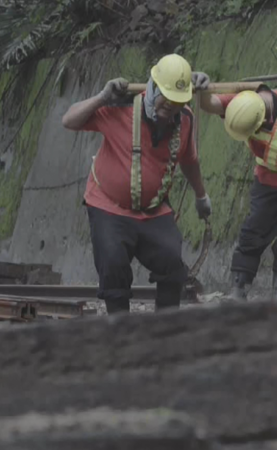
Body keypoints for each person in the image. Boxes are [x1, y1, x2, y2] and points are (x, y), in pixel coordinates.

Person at [62, 54, 212, 314]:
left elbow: (190, 160)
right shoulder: (119, 107)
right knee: (113, 266)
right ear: (153, 87)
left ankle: (164, 330)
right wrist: (101, 97)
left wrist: (201, 196)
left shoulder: (184, 119)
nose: (170, 110)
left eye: (177, 103)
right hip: (109, 206)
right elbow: (69, 121)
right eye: (166, 101)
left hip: (153, 210)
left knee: (171, 261)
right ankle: (121, 331)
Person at [196, 68, 277, 299]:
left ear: (265, 119)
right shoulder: (244, 102)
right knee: (253, 230)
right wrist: (202, 91)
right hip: (268, 175)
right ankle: (238, 289)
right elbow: (212, 104)